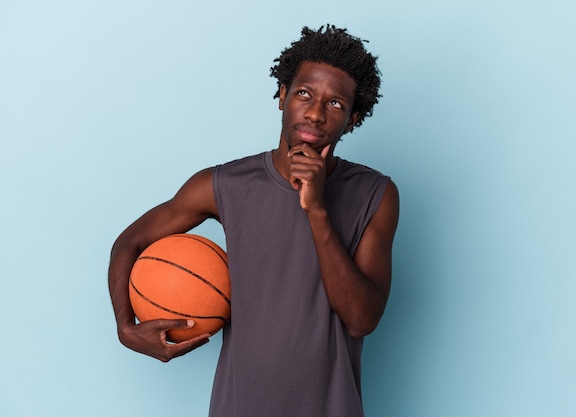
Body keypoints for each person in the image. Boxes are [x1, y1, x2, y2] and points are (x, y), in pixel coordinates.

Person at [108, 25, 400, 417]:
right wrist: (126, 328)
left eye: (334, 104)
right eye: (304, 94)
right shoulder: (224, 184)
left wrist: (317, 210)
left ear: (353, 117)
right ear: (281, 95)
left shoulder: (375, 194)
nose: (314, 113)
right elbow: (130, 242)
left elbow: (362, 318)